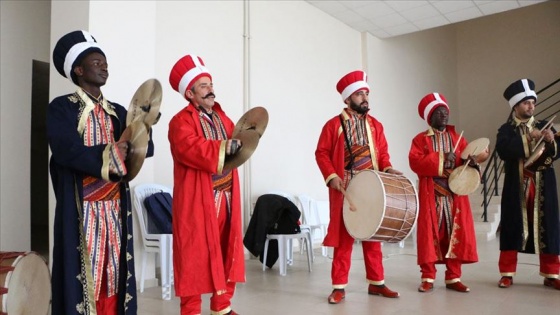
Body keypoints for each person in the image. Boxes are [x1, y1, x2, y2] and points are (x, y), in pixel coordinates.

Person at [48, 30, 154, 314]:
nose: (105, 67)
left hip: (116, 207)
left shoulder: (118, 111)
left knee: (115, 272)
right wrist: (111, 153)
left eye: (105, 63)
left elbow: (145, 149)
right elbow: (65, 150)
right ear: (79, 70)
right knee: (86, 275)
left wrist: (144, 127)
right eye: (97, 62)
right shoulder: (62, 108)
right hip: (82, 207)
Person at [315, 70, 402, 304]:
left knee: (373, 236)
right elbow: (321, 153)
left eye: (366, 93)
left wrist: (388, 168)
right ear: (347, 99)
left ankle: (377, 283)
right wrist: (331, 175)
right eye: (359, 94)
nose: (365, 98)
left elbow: (382, 154)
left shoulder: (376, 125)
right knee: (343, 239)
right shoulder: (333, 125)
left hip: (372, 185)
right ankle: (339, 287)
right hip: (345, 186)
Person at [168, 54, 245, 315]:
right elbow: (189, 148)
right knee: (193, 256)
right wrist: (223, 147)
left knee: (226, 249)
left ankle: (222, 306)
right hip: (197, 200)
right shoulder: (181, 121)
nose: (210, 89)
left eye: (210, 84)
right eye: (203, 85)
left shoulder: (224, 118)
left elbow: (239, 146)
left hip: (227, 197)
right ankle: (190, 310)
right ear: (189, 93)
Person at [408, 93, 479, 293]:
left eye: (445, 111)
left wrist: (470, 162)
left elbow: (466, 160)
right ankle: (428, 276)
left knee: (454, 234)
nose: (444, 115)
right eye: (439, 112)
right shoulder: (419, 140)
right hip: (432, 195)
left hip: (454, 195)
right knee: (430, 235)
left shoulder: (458, 138)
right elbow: (415, 162)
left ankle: (453, 277)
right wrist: (441, 158)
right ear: (430, 117)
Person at [495, 78, 560, 290]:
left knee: (548, 227)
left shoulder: (544, 126)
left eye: (533, 102)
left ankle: (551, 273)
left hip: (543, 184)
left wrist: (551, 141)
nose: (531, 106)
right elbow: (503, 151)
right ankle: (507, 273)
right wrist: (528, 139)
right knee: (512, 225)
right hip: (517, 185)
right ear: (515, 106)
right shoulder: (506, 129)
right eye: (526, 102)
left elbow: (556, 152)